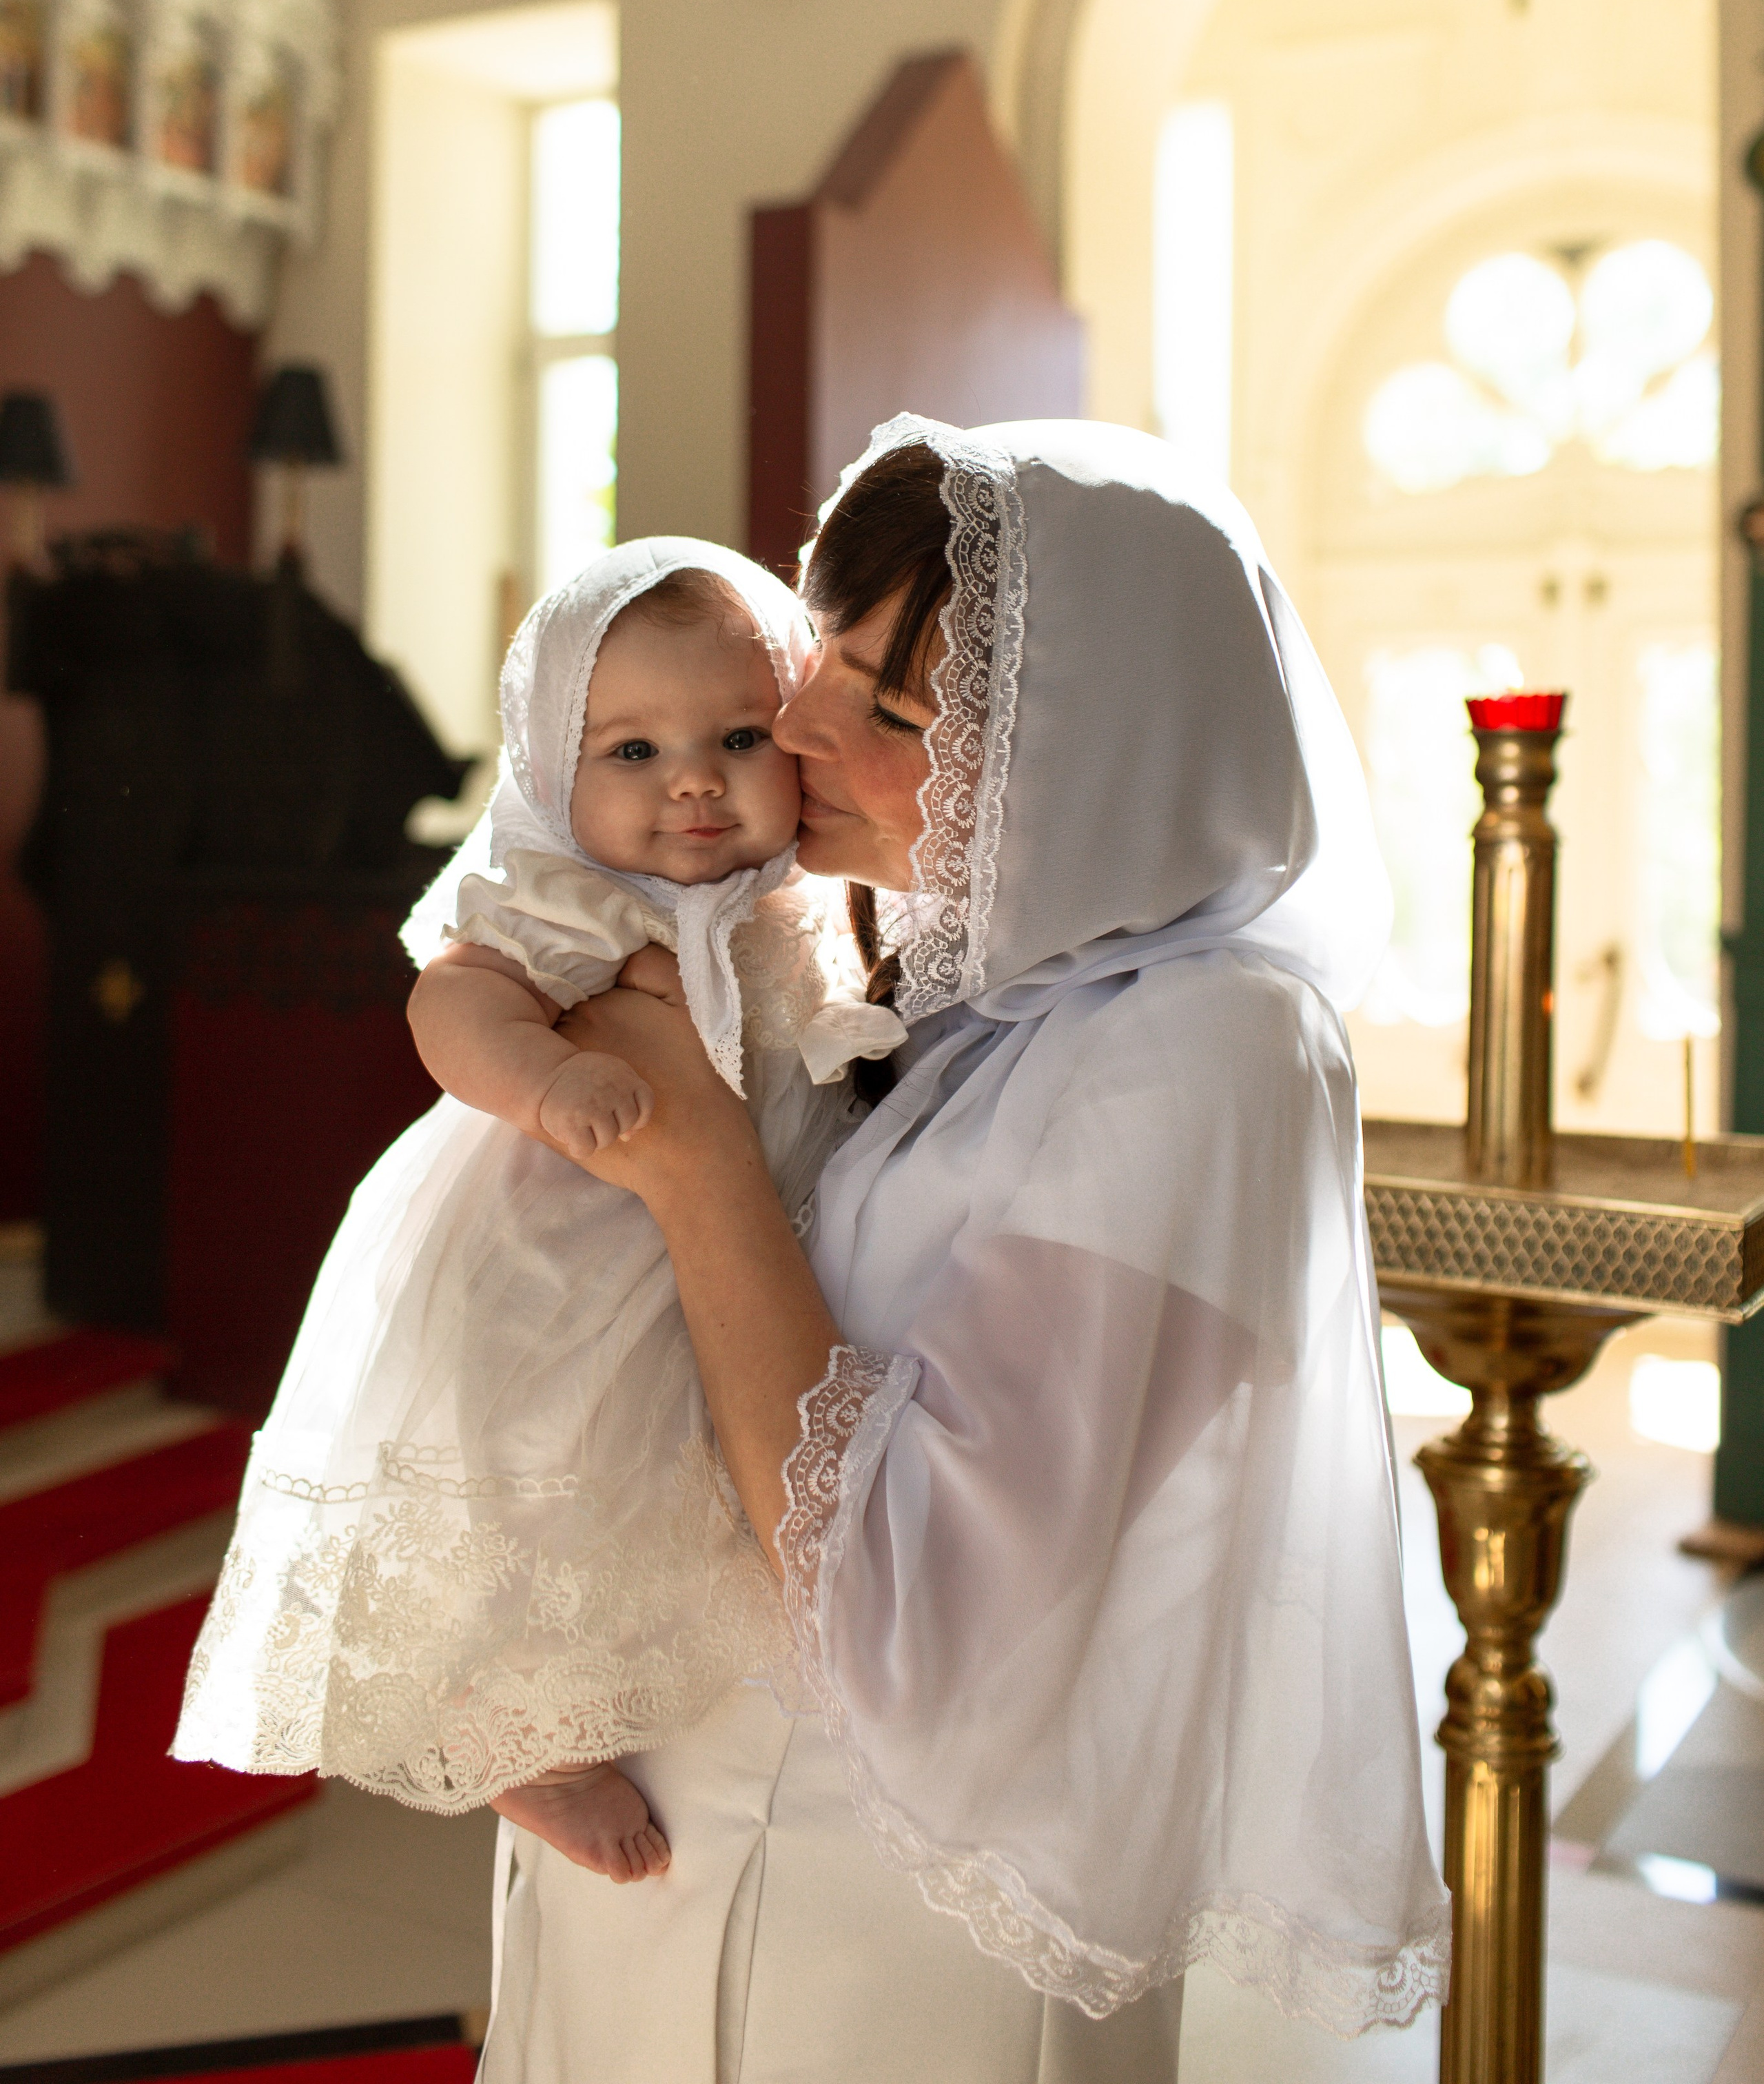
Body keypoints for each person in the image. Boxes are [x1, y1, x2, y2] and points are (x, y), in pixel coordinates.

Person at [478, 415, 1450, 2084]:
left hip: (865, 1943)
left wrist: (696, 1164)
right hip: (694, 1826)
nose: (794, 729)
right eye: (820, 663)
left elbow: (914, 1620)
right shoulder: (1002, 992)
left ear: (1096, 750)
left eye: (891, 706)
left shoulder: (1204, 1050)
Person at [173, 540, 902, 1883]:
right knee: (531, 1478)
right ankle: (518, 1741)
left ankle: (610, 1694)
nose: (692, 778)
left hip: (719, 1251)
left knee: (661, 1496)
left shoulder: (803, 894)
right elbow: (448, 1003)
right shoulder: (568, 891)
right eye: (630, 751)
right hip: (558, 1240)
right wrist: (549, 1076)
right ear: (548, 769)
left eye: (739, 734)